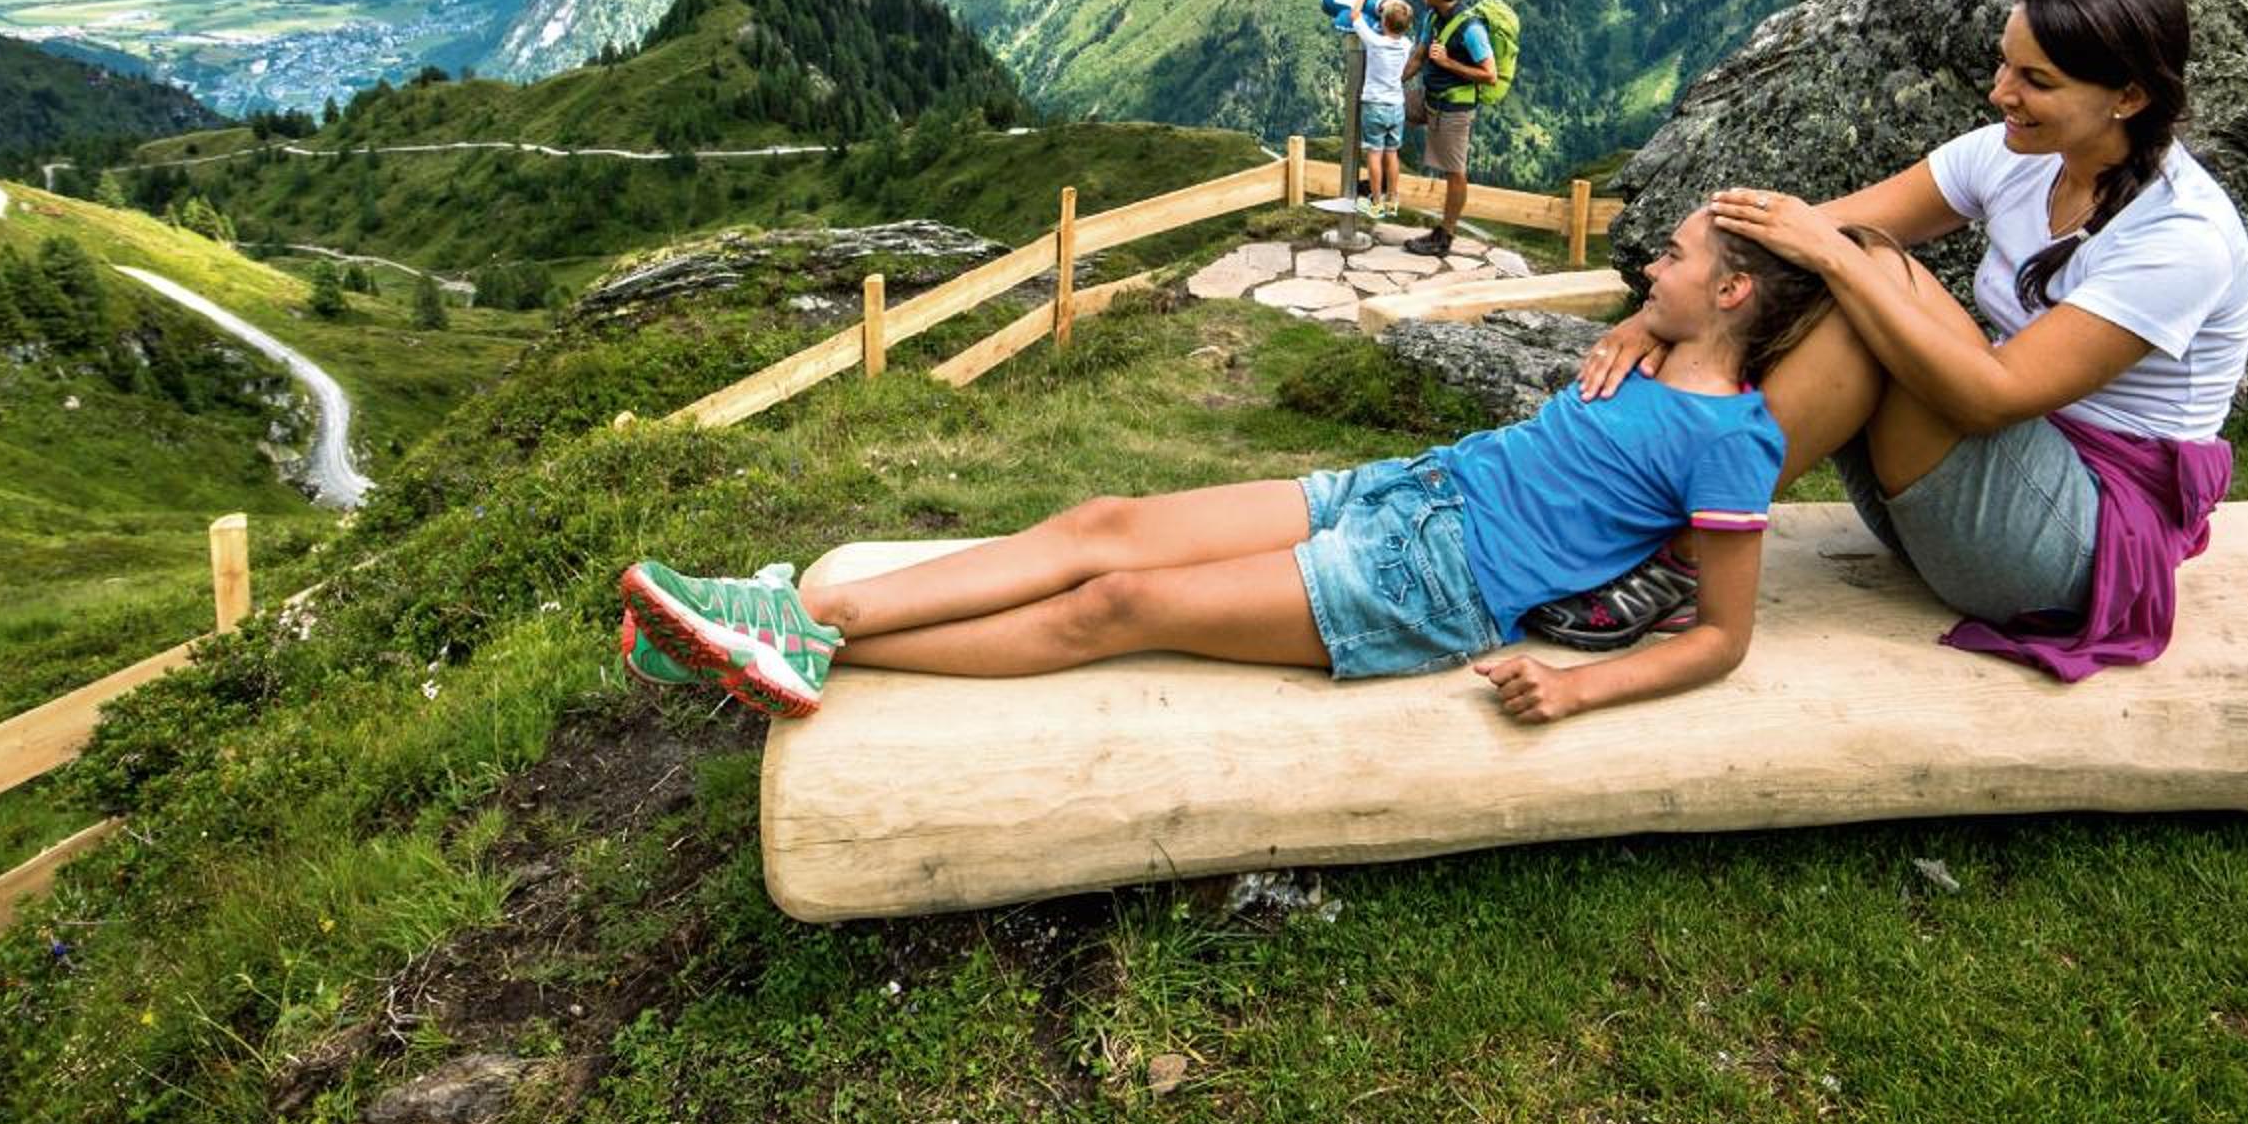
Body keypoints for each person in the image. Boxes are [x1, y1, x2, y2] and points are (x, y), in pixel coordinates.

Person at [617, 208, 1832, 724]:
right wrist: (1648, 325)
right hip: (1405, 487)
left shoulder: (1735, 441)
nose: (1649, 264)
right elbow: (1652, 366)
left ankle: (799, 644)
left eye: (1674, 257)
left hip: (1437, 582)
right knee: (1105, 517)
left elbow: (1723, 637)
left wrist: (1575, 690)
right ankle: (800, 615)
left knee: (1118, 601)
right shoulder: (1642, 349)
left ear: (1731, 290)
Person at [1570, 0, 2248, 680]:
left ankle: (1676, 552)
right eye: (2005, 64)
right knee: (1847, 269)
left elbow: (1992, 398)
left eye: (2036, 80)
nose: (2001, 92)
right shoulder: (2021, 153)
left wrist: (1838, 260)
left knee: (1867, 273)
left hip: (2074, 545)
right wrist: (1660, 310)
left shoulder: (2181, 237)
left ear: (2129, 97)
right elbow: (1791, 234)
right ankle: (1647, 517)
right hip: (1969, 498)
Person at [1403, 0, 1497, 258]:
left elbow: (1490, 74)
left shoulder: (1472, 30)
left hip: (1454, 109)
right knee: (1382, 106)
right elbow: (1419, 56)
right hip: (1429, 99)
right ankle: (1377, 183)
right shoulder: (1432, 17)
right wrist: (1392, 84)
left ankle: (1445, 235)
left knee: (1455, 172)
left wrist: (1447, 63)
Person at [1353, 0, 1415, 217]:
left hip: (1375, 106)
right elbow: (1395, 27)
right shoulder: (1407, 44)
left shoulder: (1374, 42)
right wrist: (1389, 12)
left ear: (1383, 22)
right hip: (1396, 107)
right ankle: (1392, 200)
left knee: (1374, 154)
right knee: (1392, 154)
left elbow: (1355, 15)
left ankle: (1376, 203)